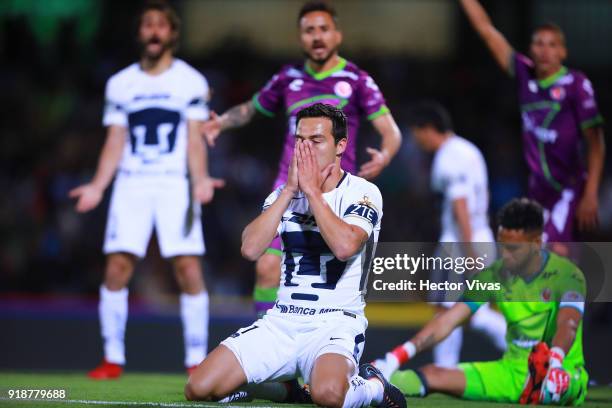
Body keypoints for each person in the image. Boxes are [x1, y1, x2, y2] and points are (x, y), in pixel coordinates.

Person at [185, 104, 405, 408]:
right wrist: (290, 190)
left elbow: (345, 247)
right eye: (300, 140)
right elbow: (250, 249)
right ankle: (287, 391)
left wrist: (313, 192)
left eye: (316, 141)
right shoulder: (282, 195)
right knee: (199, 387)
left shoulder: (362, 192)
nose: (305, 149)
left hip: (335, 324)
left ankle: (373, 387)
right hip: (281, 321)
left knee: (327, 396)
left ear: (340, 145)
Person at [200, 1, 402, 317]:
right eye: (309, 31)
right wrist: (220, 122)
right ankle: (264, 343)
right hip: (290, 188)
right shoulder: (287, 78)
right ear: (300, 37)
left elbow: (391, 131)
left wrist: (385, 155)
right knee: (267, 267)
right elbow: (251, 109)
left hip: (334, 194)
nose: (317, 37)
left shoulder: (356, 79)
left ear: (337, 35)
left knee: (330, 276)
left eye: (324, 29)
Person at [69, 0, 223, 378]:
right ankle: (112, 358)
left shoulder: (190, 81)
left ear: (172, 33)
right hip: (132, 183)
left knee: (187, 268)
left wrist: (200, 178)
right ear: (140, 33)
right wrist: (98, 186)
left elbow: (194, 139)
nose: (154, 31)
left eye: (161, 25)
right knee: (118, 266)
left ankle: (196, 360)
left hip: (174, 184)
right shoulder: (121, 84)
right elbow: (114, 141)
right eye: (147, 24)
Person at [377, 198, 588, 406]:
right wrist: (396, 357)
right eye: (502, 245)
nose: (505, 255)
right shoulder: (493, 276)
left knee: (554, 389)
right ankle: (371, 384)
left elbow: (568, 323)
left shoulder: (567, 274)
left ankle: (549, 389)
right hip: (511, 373)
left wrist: (556, 362)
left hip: (560, 371)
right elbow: (448, 320)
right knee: (431, 374)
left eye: (513, 248)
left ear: (536, 243)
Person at [459, 0, 605, 248]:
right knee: (542, 261)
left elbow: (595, 142)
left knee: (552, 252)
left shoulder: (575, 85)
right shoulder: (524, 76)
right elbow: (486, 30)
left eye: (552, 45)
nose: (545, 50)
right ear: (531, 49)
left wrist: (591, 194)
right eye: (539, 43)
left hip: (567, 189)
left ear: (563, 52)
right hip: (537, 191)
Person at [376, 101, 506, 369]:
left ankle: (445, 368)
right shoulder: (468, 150)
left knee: (449, 311)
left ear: (428, 129)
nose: (416, 140)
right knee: (472, 310)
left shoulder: (450, 157)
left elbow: (461, 205)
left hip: (461, 243)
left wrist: (469, 252)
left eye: (416, 132)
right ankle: (526, 348)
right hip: (479, 236)